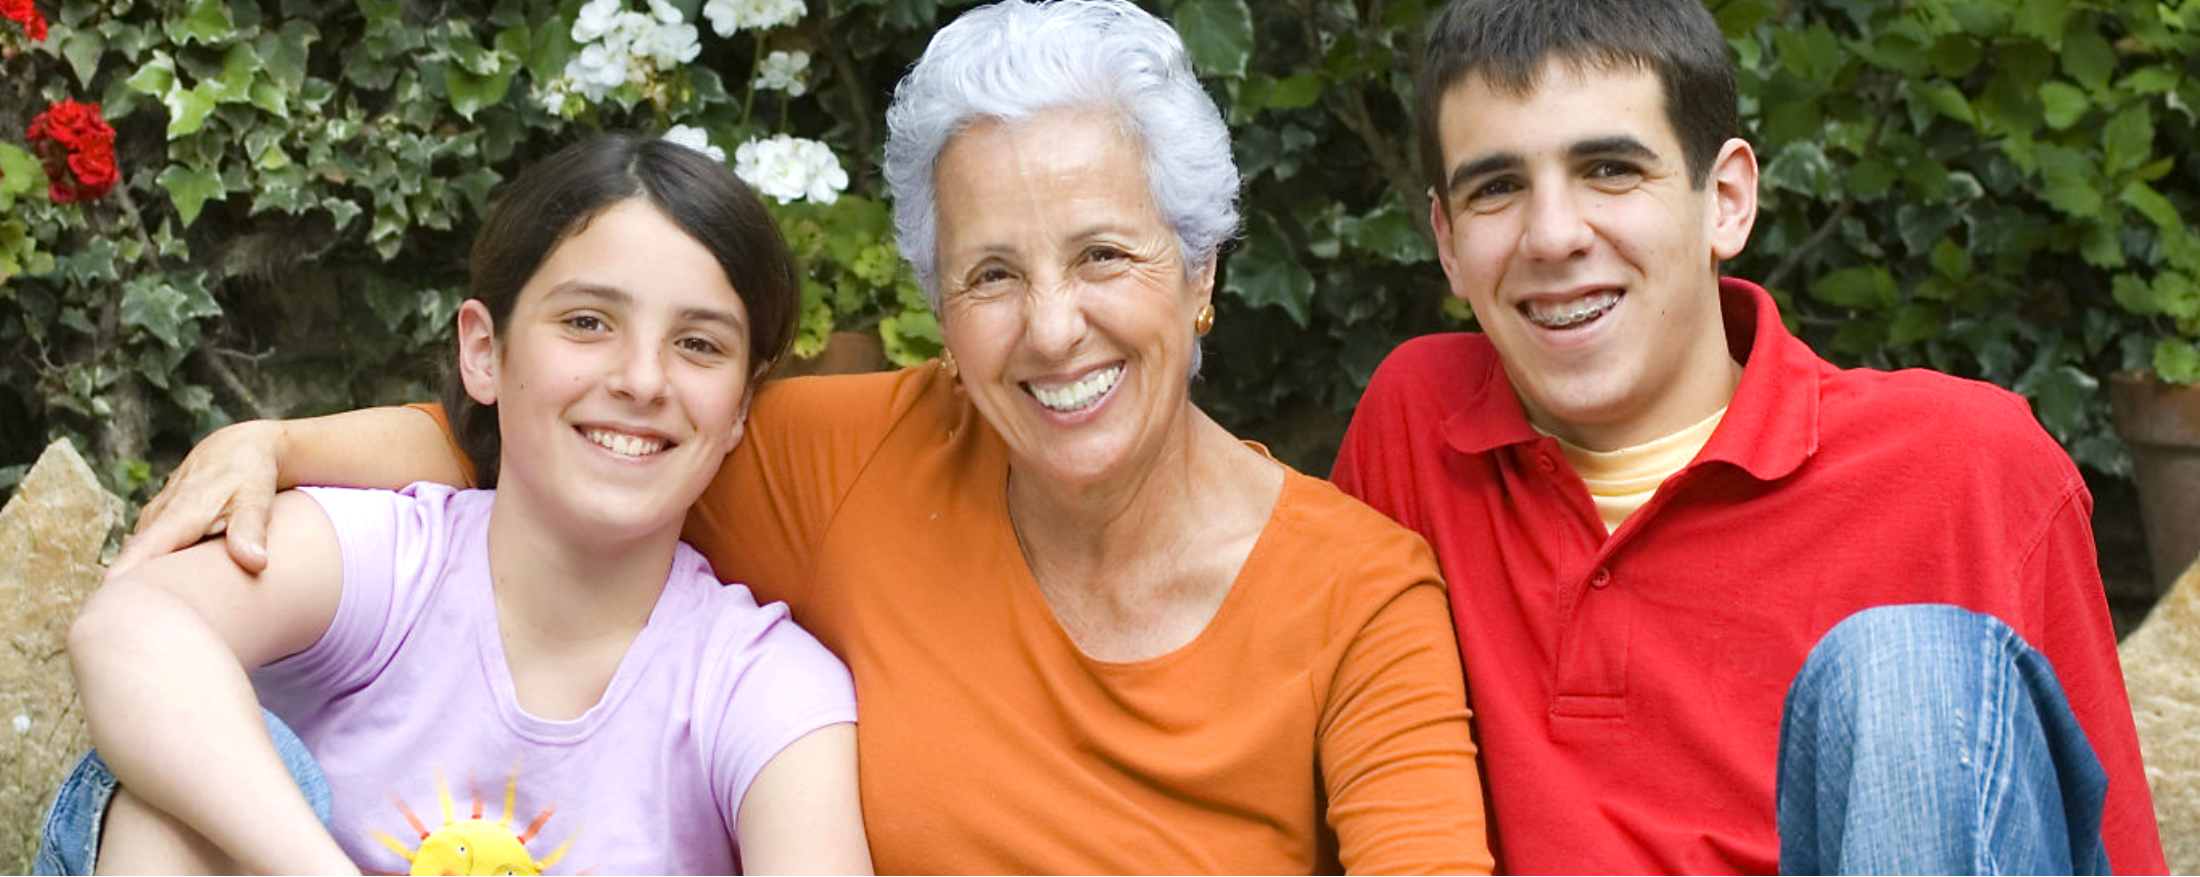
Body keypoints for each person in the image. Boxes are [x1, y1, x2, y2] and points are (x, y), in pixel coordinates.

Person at [110, 2, 1494, 873]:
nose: (1053, 328)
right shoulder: (856, 454)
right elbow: (570, 436)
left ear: (1200, 277)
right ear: (940, 315)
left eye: (1106, 257)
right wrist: (284, 448)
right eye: (991, 275)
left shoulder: (1358, 599)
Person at [1329, 0, 2167, 873]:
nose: (1552, 236)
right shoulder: (1418, 426)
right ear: (1448, 242)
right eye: (1496, 187)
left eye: (1610, 169)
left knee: (1907, 668)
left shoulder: (1963, 461)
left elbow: (2107, 846)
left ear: (1725, 200)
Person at [40, 134, 868, 875]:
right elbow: (128, 626)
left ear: (741, 411)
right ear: (483, 350)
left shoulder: (761, 686)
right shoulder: (399, 562)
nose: (642, 379)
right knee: (167, 813)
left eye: (698, 344)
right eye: (587, 321)